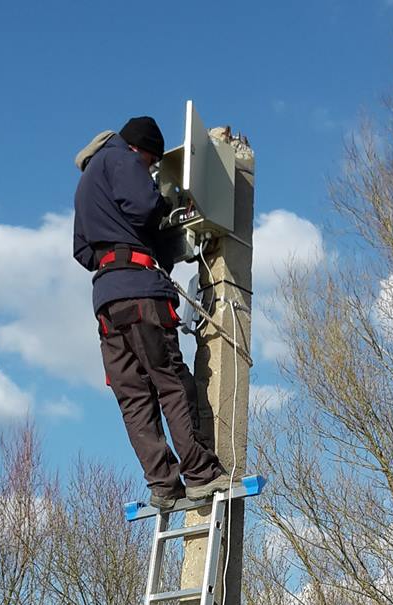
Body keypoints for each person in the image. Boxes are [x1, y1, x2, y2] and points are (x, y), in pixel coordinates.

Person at [73, 116, 230, 510]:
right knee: (172, 383)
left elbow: (82, 252)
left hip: (107, 301)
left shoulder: (88, 180)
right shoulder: (122, 159)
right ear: (143, 151)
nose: (150, 171)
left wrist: (135, 245)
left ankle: (163, 484)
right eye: (151, 165)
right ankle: (200, 474)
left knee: (134, 398)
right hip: (141, 293)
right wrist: (167, 203)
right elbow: (144, 205)